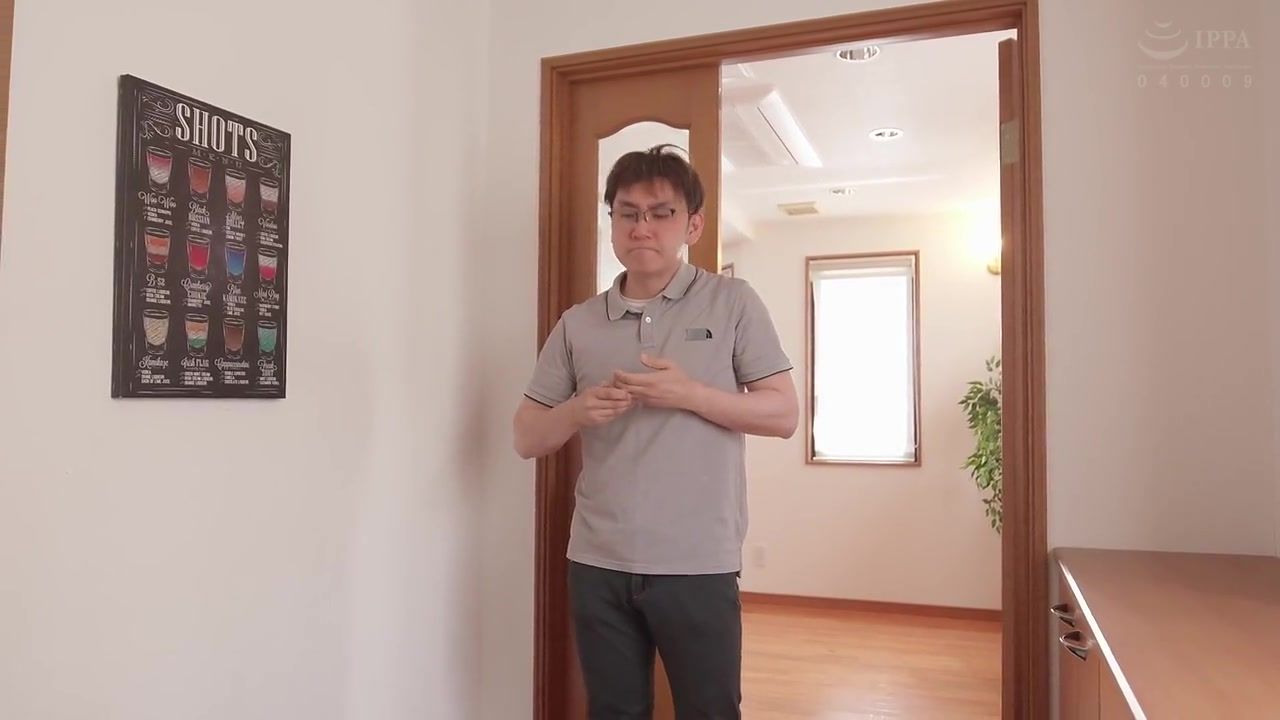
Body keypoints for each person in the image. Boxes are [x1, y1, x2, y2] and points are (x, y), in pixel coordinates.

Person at [513, 144, 798, 719]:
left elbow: (783, 415)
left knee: (710, 710)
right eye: (627, 213)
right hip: (598, 561)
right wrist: (577, 411)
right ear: (613, 223)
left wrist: (689, 394)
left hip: (698, 561)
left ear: (692, 225)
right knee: (613, 711)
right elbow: (527, 436)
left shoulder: (732, 302)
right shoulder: (578, 323)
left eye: (661, 212)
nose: (642, 227)